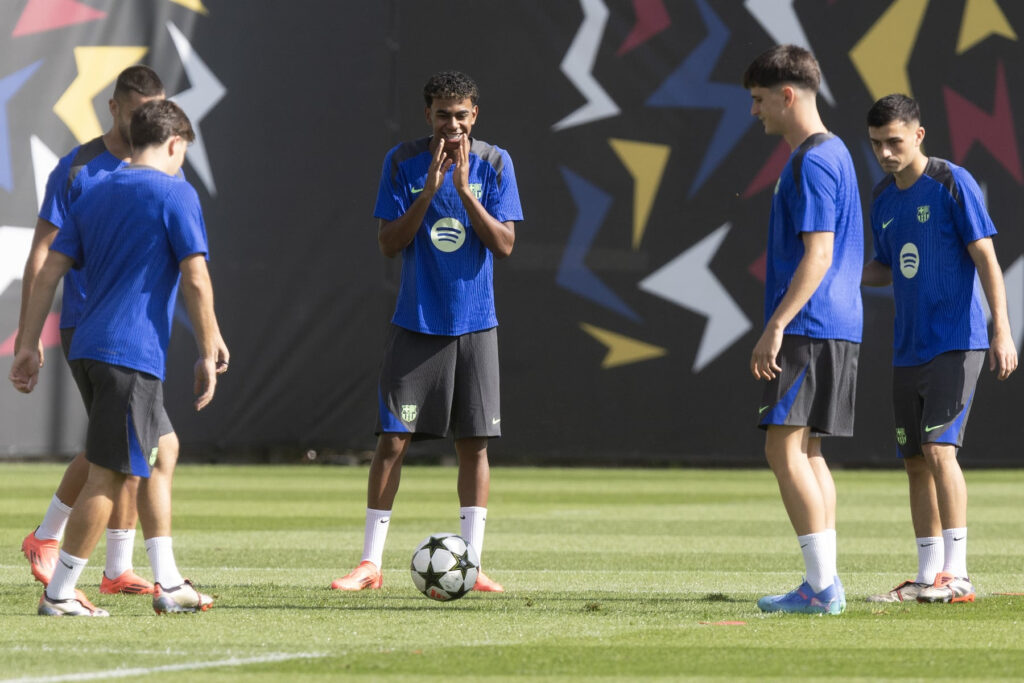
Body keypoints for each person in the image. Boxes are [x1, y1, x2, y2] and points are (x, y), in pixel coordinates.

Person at [9, 99, 228, 616]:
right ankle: (60, 593)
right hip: (130, 354)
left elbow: (48, 271)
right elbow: (195, 276)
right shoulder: (176, 191)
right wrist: (208, 345)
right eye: (183, 153)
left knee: (163, 449)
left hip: (87, 348)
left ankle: (169, 582)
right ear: (175, 144)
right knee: (109, 475)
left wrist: (26, 344)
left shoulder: (94, 192)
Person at [330, 71, 522, 593]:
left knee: (474, 445)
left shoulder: (496, 163)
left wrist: (463, 191)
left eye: (461, 115)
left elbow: (504, 245)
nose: (452, 124)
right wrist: (431, 191)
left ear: (474, 116)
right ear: (428, 115)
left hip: (476, 326)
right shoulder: (402, 161)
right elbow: (389, 243)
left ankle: (473, 563)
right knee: (393, 439)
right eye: (443, 114)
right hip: (416, 323)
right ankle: (370, 563)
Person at [17, 66, 166, 595]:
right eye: (137, 111)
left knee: (127, 447)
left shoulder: (162, 164)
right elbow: (43, 254)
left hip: (139, 330)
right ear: (113, 108)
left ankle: (108, 564)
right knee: (142, 447)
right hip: (91, 327)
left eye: (155, 111)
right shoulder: (79, 168)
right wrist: (27, 339)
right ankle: (67, 548)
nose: (147, 121)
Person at [862, 94, 1017, 604]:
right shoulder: (883, 199)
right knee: (913, 461)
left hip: (957, 341)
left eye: (894, 142)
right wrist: (836, 270)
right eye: (877, 144)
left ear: (918, 135)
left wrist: (1002, 330)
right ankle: (928, 576)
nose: (885, 152)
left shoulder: (953, 181)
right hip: (908, 347)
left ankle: (959, 574)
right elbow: (884, 266)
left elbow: (987, 259)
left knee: (937, 450)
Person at [743, 45, 863, 615]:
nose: (755, 111)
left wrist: (776, 325)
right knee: (810, 452)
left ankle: (821, 588)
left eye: (760, 100)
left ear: (787, 95)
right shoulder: (835, 151)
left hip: (811, 325)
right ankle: (822, 581)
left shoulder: (812, 160)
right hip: (839, 323)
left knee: (782, 447)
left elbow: (817, 255)